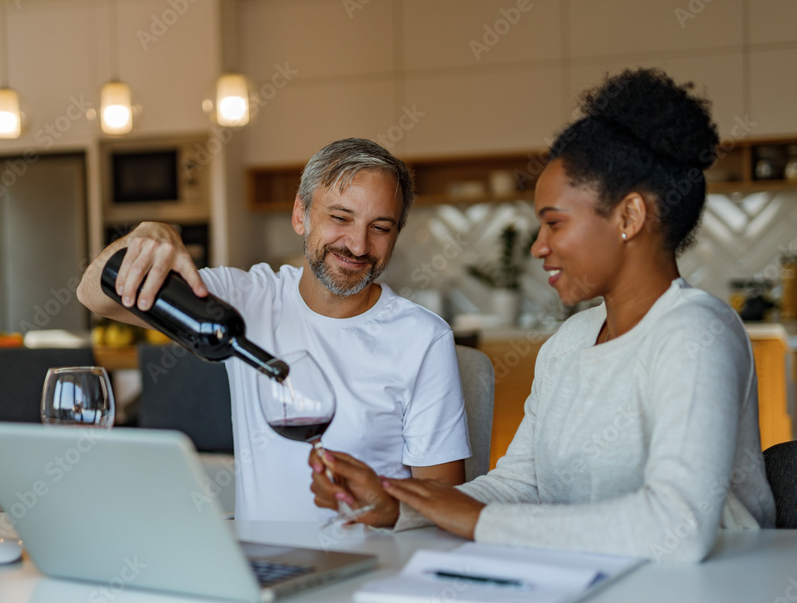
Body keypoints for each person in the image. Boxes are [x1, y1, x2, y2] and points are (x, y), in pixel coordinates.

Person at [310, 69, 776, 562]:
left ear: (629, 217)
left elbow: (678, 526)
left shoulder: (697, 332)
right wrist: (399, 505)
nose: (539, 246)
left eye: (554, 223)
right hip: (590, 594)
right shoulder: (570, 343)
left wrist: (482, 523)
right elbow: (519, 485)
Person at [77, 137, 469, 521]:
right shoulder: (245, 299)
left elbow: (445, 497)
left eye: (380, 227)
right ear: (301, 214)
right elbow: (95, 296)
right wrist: (147, 232)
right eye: (340, 217)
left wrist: (382, 507)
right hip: (263, 571)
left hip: (375, 568)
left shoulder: (422, 338)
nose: (358, 245)